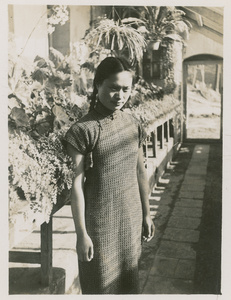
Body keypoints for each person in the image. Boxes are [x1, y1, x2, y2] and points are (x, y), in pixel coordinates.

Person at [64, 56, 155, 294]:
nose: (120, 96)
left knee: (129, 284)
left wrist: (147, 213)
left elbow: (140, 171)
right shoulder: (83, 130)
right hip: (100, 225)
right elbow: (76, 187)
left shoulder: (133, 124)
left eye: (126, 89)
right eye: (113, 88)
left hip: (131, 218)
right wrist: (81, 234)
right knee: (100, 286)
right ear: (97, 86)